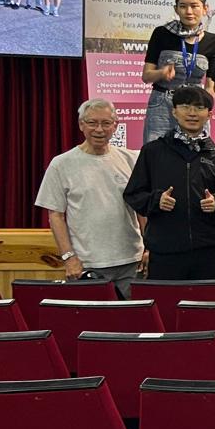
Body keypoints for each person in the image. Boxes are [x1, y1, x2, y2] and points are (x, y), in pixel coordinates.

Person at [123, 85, 215, 280]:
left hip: (208, 253)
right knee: (166, 307)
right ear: (174, 111)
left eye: (199, 107)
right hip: (164, 253)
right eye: (185, 106)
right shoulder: (152, 151)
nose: (192, 113)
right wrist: (156, 200)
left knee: (205, 308)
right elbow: (133, 194)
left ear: (209, 114)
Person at [35, 98, 145, 296]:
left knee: (135, 322)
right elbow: (55, 215)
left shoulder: (132, 159)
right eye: (92, 123)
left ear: (115, 126)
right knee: (92, 323)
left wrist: (148, 248)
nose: (99, 129)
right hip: (87, 265)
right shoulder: (61, 164)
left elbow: (142, 209)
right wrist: (69, 257)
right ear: (81, 125)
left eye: (106, 123)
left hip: (132, 262)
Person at [140, 0, 215, 144]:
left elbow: (210, 87)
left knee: (197, 153)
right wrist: (161, 73)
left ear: (205, 8)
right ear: (176, 9)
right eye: (183, 6)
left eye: (194, 6)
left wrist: (204, 107)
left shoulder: (213, 41)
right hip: (163, 104)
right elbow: (146, 76)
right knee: (157, 152)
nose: (189, 11)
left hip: (196, 105)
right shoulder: (162, 33)